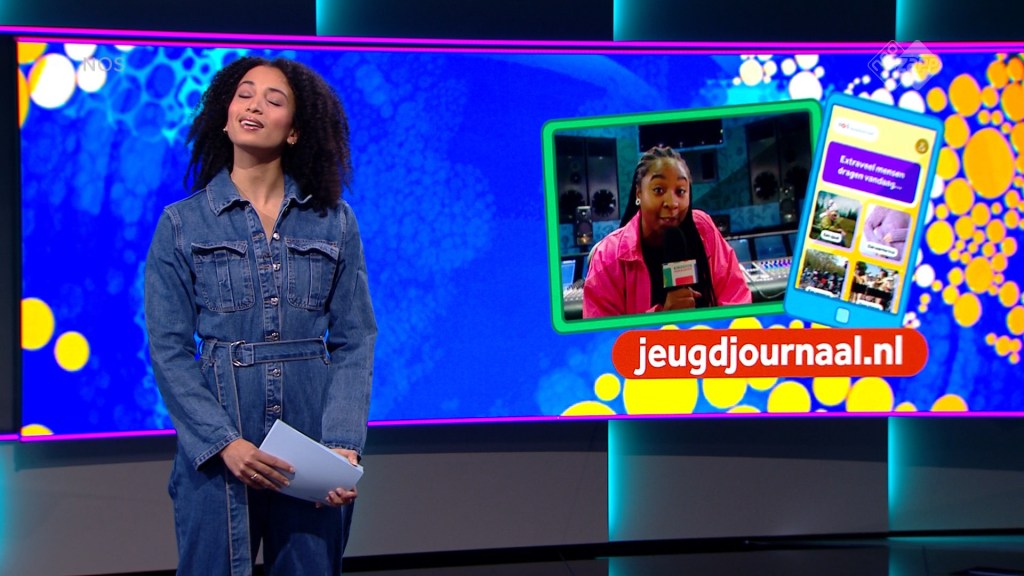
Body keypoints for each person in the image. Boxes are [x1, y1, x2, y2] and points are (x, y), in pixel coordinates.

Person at [144, 56, 376, 576]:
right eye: (244, 95)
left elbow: (356, 338)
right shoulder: (181, 224)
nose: (254, 106)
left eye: (274, 101)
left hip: (311, 440)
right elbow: (168, 349)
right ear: (225, 117)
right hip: (219, 445)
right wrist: (223, 442)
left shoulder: (334, 221)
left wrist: (342, 446)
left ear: (294, 131)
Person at [583, 146, 751, 318]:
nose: (672, 203)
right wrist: (662, 319)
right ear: (638, 193)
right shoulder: (608, 256)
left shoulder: (704, 229)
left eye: (680, 191)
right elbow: (603, 332)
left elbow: (736, 299)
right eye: (658, 190)